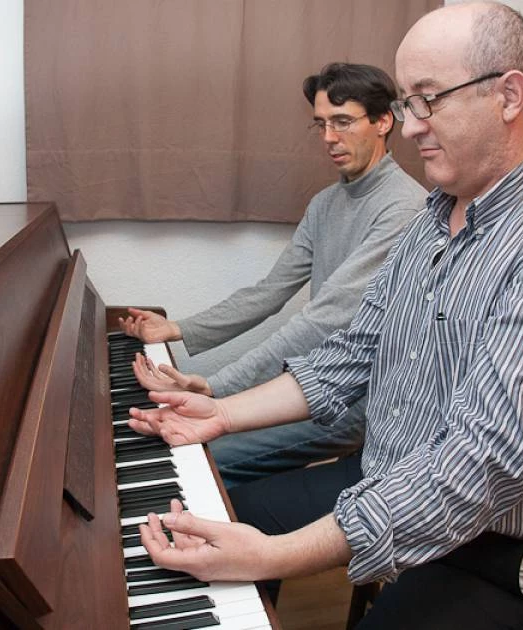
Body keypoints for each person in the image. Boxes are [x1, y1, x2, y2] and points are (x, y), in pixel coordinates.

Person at [127, 3, 523, 628]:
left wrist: (279, 555)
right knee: (222, 512)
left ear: (508, 95)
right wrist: (222, 413)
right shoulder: (431, 221)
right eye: (407, 104)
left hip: (502, 550)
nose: (409, 127)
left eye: (427, 99)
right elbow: (352, 353)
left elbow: (483, 462)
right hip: (387, 476)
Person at [119, 63, 427, 487]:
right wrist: (176, 328)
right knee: (192, 439)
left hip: (359, 400)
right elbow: (270, 292)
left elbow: (324, 319)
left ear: (383, 121)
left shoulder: (404, 209)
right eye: (320, 125)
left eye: (342, 122)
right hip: (308, 386)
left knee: (204, 454)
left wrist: (214, 387)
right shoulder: (325, 203)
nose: (329, 139)